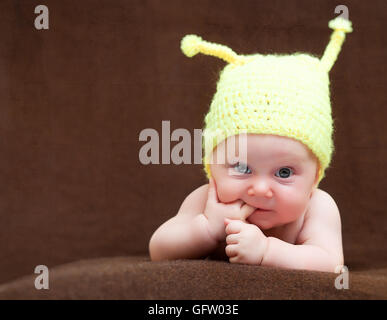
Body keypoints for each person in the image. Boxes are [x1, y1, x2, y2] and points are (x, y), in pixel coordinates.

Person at [149, 16, 353, 272]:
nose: (259, 189)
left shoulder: (317, 208)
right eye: (242, 168)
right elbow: (158, 250)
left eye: (284, 172)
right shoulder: (205, 202)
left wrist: (267, 251)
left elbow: (330, 263)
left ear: (315, 178)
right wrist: (206, 227)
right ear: (212, 166)